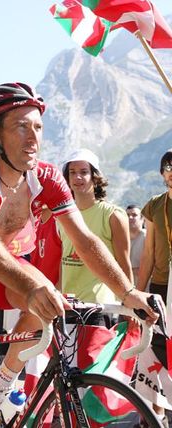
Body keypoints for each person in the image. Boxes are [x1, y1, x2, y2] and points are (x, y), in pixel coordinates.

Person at [0, 82, 159, 428]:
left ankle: (2, 383)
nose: (33, 138)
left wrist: (128, 292)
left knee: (49, 296)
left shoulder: (46, 178)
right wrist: (30, 290)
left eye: (38, 127)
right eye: (21, 126)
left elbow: (86, 242)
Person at [60, 148, 132, 326]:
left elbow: (124, 263)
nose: (78, 177)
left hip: (100, 306)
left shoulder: (113, 215)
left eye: (84, 172)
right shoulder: (60, 216)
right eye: (72, 173)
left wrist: (130, 305)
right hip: (66, 305)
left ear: (95, 177)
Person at [134, 150, 172, 428]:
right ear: (161, 174)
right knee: (156, 349)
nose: (171, 170)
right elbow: (147, 253)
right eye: (167, 166)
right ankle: (155, 415)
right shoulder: (155, 206)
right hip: (160, 287)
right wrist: (135, 294)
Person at [126, 204, 146, 286]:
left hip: (146, 287)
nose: (130, 218)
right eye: (127, 215)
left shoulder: (148, 237)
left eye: (134, 215)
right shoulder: (120, 238)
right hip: (125, 289)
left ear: (142, 219)